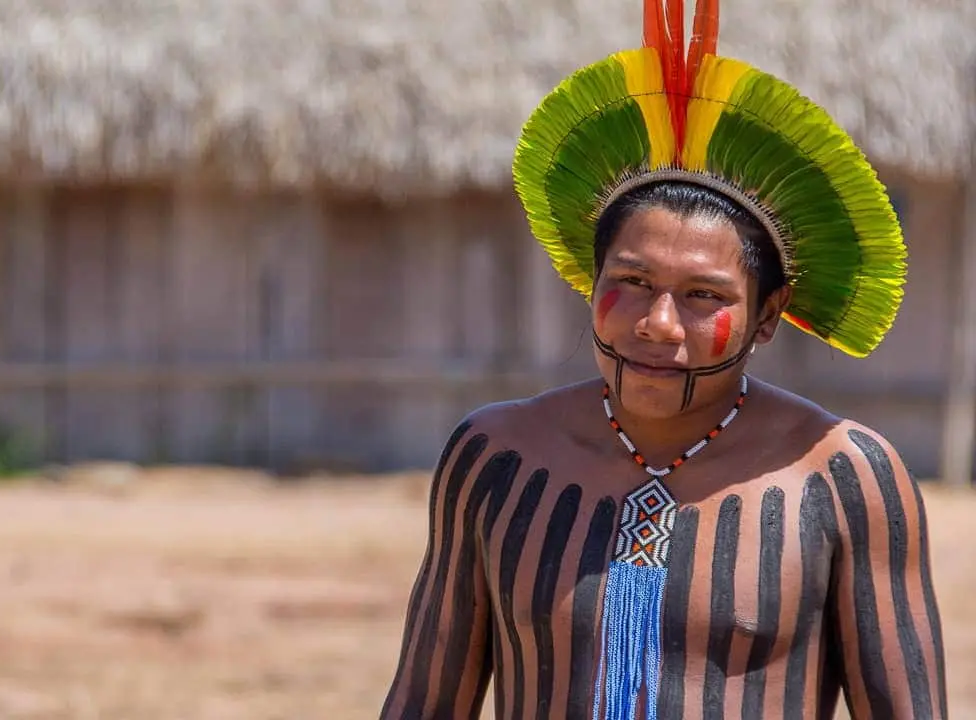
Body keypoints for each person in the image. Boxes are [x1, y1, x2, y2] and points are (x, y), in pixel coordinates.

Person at [378, 2, 948, 719]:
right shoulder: (497, 459)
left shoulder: (843, 478)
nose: (657, 324)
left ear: (767, 316)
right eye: (632, 284)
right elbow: (425, 703)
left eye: (703, 296)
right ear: (591, 283)